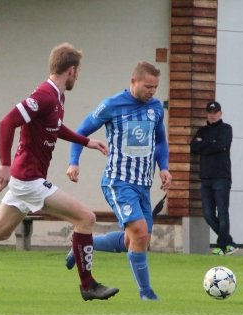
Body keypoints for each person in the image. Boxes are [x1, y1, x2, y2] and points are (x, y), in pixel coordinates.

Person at [0, 43, 119, 301]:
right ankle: (88, 285)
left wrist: (86, 142)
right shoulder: (45, 95)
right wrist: (4, 163)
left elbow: (55, 127)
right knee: (86, 218)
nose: (78, 76)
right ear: (71, 70)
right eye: (78, 71)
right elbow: (7, 122)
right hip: (29, 179)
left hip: (25, 179)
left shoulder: (57, 97)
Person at [65, 61, 172, 300]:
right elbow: (80, 132)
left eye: (156, 87)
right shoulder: (113, 105)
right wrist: (74, 161)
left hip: (143, 184)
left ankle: (84, 245)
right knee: (140, 233)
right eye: (148, 86)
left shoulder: (156, 108)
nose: (152, 92)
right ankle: (146, 293)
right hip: (119, 181)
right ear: (133, 82)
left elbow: (160, 141)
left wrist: (163, 168)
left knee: (133, 240)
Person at [190, 101, 239, 256]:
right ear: (207, 113)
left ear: (220, 113)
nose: (212, 114)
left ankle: (221, 247)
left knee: (222, 213)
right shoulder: (202, 130)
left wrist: (205, 146)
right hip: (206, 178)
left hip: (221, 177)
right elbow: (194, 147)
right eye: (210, 112)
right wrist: (211, 143)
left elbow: (221, 145)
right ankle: (229, 243)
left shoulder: (226, 129)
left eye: (215, 112)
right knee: (208, 215)